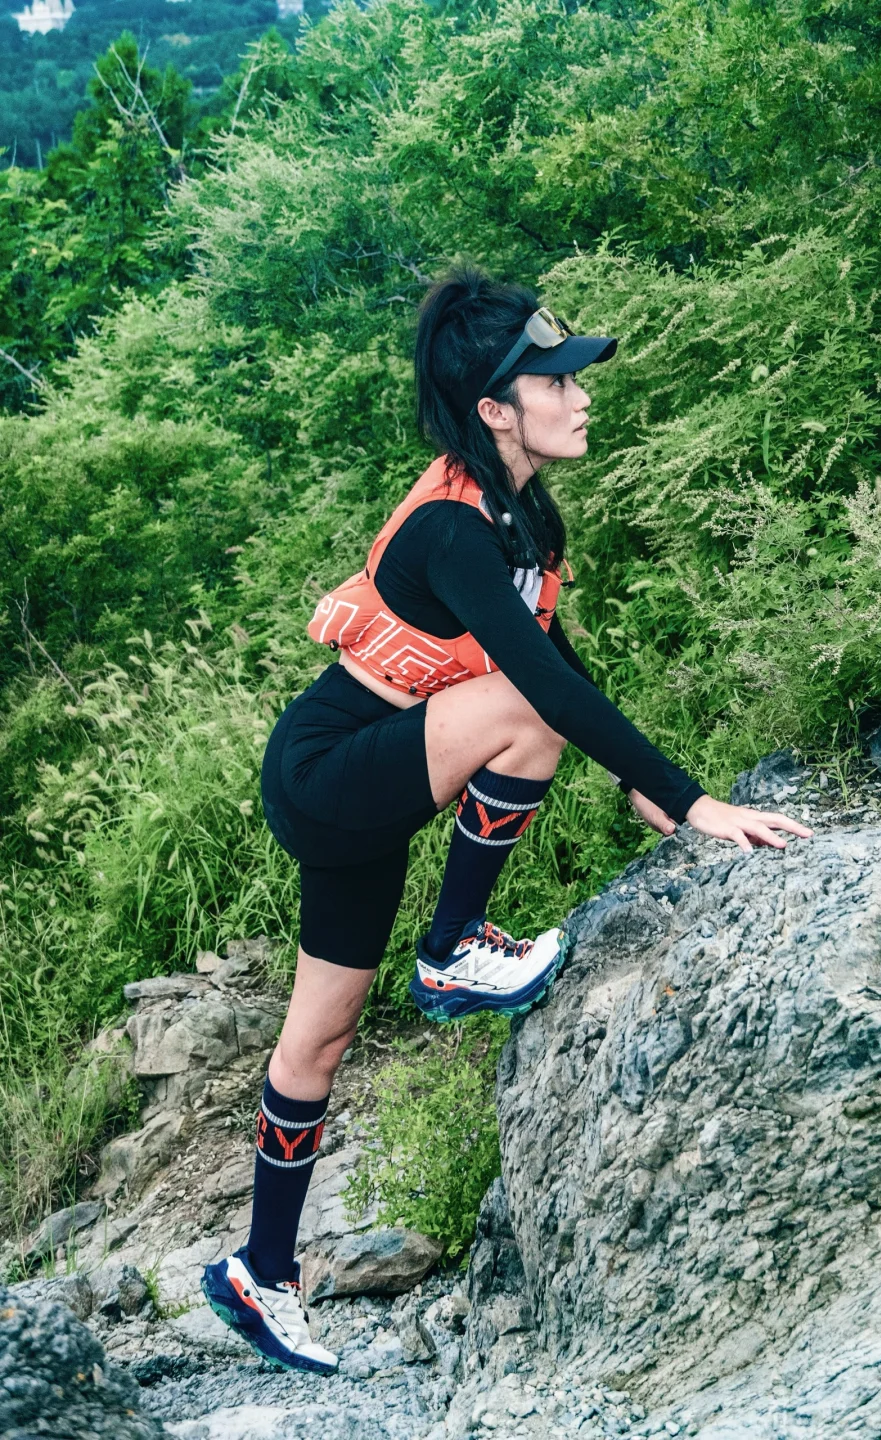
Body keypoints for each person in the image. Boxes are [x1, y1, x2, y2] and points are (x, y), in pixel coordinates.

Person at [201, 269, 812, 1373]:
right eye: (556, 382)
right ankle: (451, 950)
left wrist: (643, 788)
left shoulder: (522, 512)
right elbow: (541, 690)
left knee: (318, 1041)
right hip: (329, 770)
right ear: (495, 409)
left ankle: (262, 1271)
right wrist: (691, 799)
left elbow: (554, 657)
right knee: (522, 710)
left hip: (365, 789)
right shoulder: (453, 529)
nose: (582, 397)